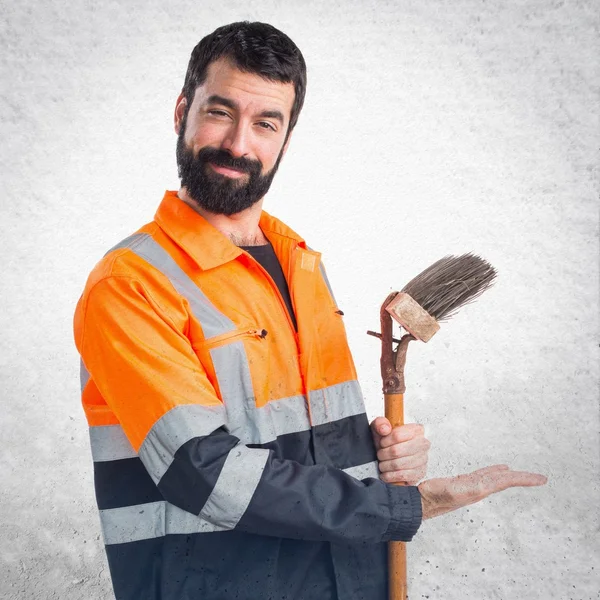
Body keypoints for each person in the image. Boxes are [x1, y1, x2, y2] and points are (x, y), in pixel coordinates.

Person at [73, 21, 546, 600]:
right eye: (220, 112)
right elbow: (205, 473)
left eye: (265, 123)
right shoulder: (130, 284)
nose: (239, 144)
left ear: (286, 139)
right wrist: (407, 505)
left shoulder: (301, 266)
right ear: (182, 112)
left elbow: (300, 445)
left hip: (351, 581)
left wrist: (384, 456)